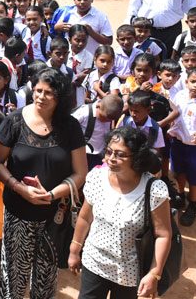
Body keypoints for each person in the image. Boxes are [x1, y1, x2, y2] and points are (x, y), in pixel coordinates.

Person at [0, 69, 88, 298]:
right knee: (13, 278)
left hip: (54, 217)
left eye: (49, 92)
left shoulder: (70, 126)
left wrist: (53, 194)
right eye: (37, 90)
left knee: (46, 279)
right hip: (18, 215)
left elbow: (81, 172)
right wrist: (19, 188)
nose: (41, 97)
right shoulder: (14, 120)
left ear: (60, 96)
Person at [67, 127, 171, 299]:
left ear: (137, 157)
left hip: (130, 272)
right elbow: (85, 218)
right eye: (108, 152)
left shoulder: (154, 190)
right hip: (95, 263)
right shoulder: (96, 178)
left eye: (120, 154)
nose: (111, 159)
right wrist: (74, 250)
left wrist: (154, 273)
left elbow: (163, 235)